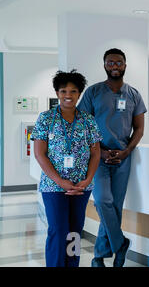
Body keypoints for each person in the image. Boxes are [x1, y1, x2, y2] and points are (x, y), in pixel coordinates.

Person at [78, 48, 147, 267]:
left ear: (125, 65)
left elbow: (139, 129)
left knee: (115, 206)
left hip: (123, 158)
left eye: (118, 62)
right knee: (102, 201)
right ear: (104, 65)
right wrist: (99, 150)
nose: (114, 66)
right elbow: (83, 126)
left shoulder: (134, 94)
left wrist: (127, 151)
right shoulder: (93, 92)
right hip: (98, 157)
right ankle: (121, 244)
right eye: (110, 62)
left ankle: (99, 258)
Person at [31, 70, 102, 267]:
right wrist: (60, 181)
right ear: (57, 93)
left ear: (79, 94)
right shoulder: (46, 118)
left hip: (81, 186)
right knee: (58, 229)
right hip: (54, 186)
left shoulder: (88, 120)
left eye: (73, 91)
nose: (68, 96)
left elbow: (96, 153)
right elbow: (39, 154)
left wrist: (87, 180)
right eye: (63, 91)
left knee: (75, 231)